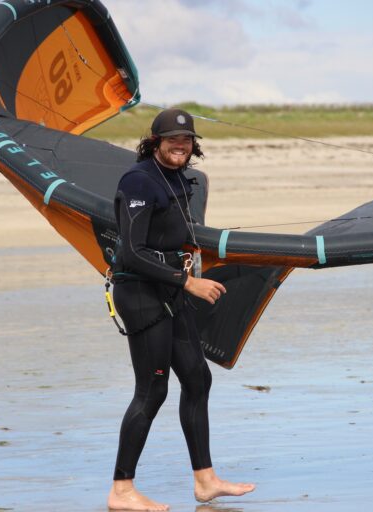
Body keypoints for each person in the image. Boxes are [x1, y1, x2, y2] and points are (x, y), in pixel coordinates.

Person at [106, 109, 256, 511]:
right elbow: (133, 253)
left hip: (169, 289)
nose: (180, 146)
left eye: (186, 141)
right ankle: (121, 491)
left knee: (197, 378)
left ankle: (205, 481)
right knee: (152, 390)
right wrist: (188, 282)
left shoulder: (178, 179)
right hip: (141, 294)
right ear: (155, 142)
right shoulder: (139, 180)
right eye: (172, 139)